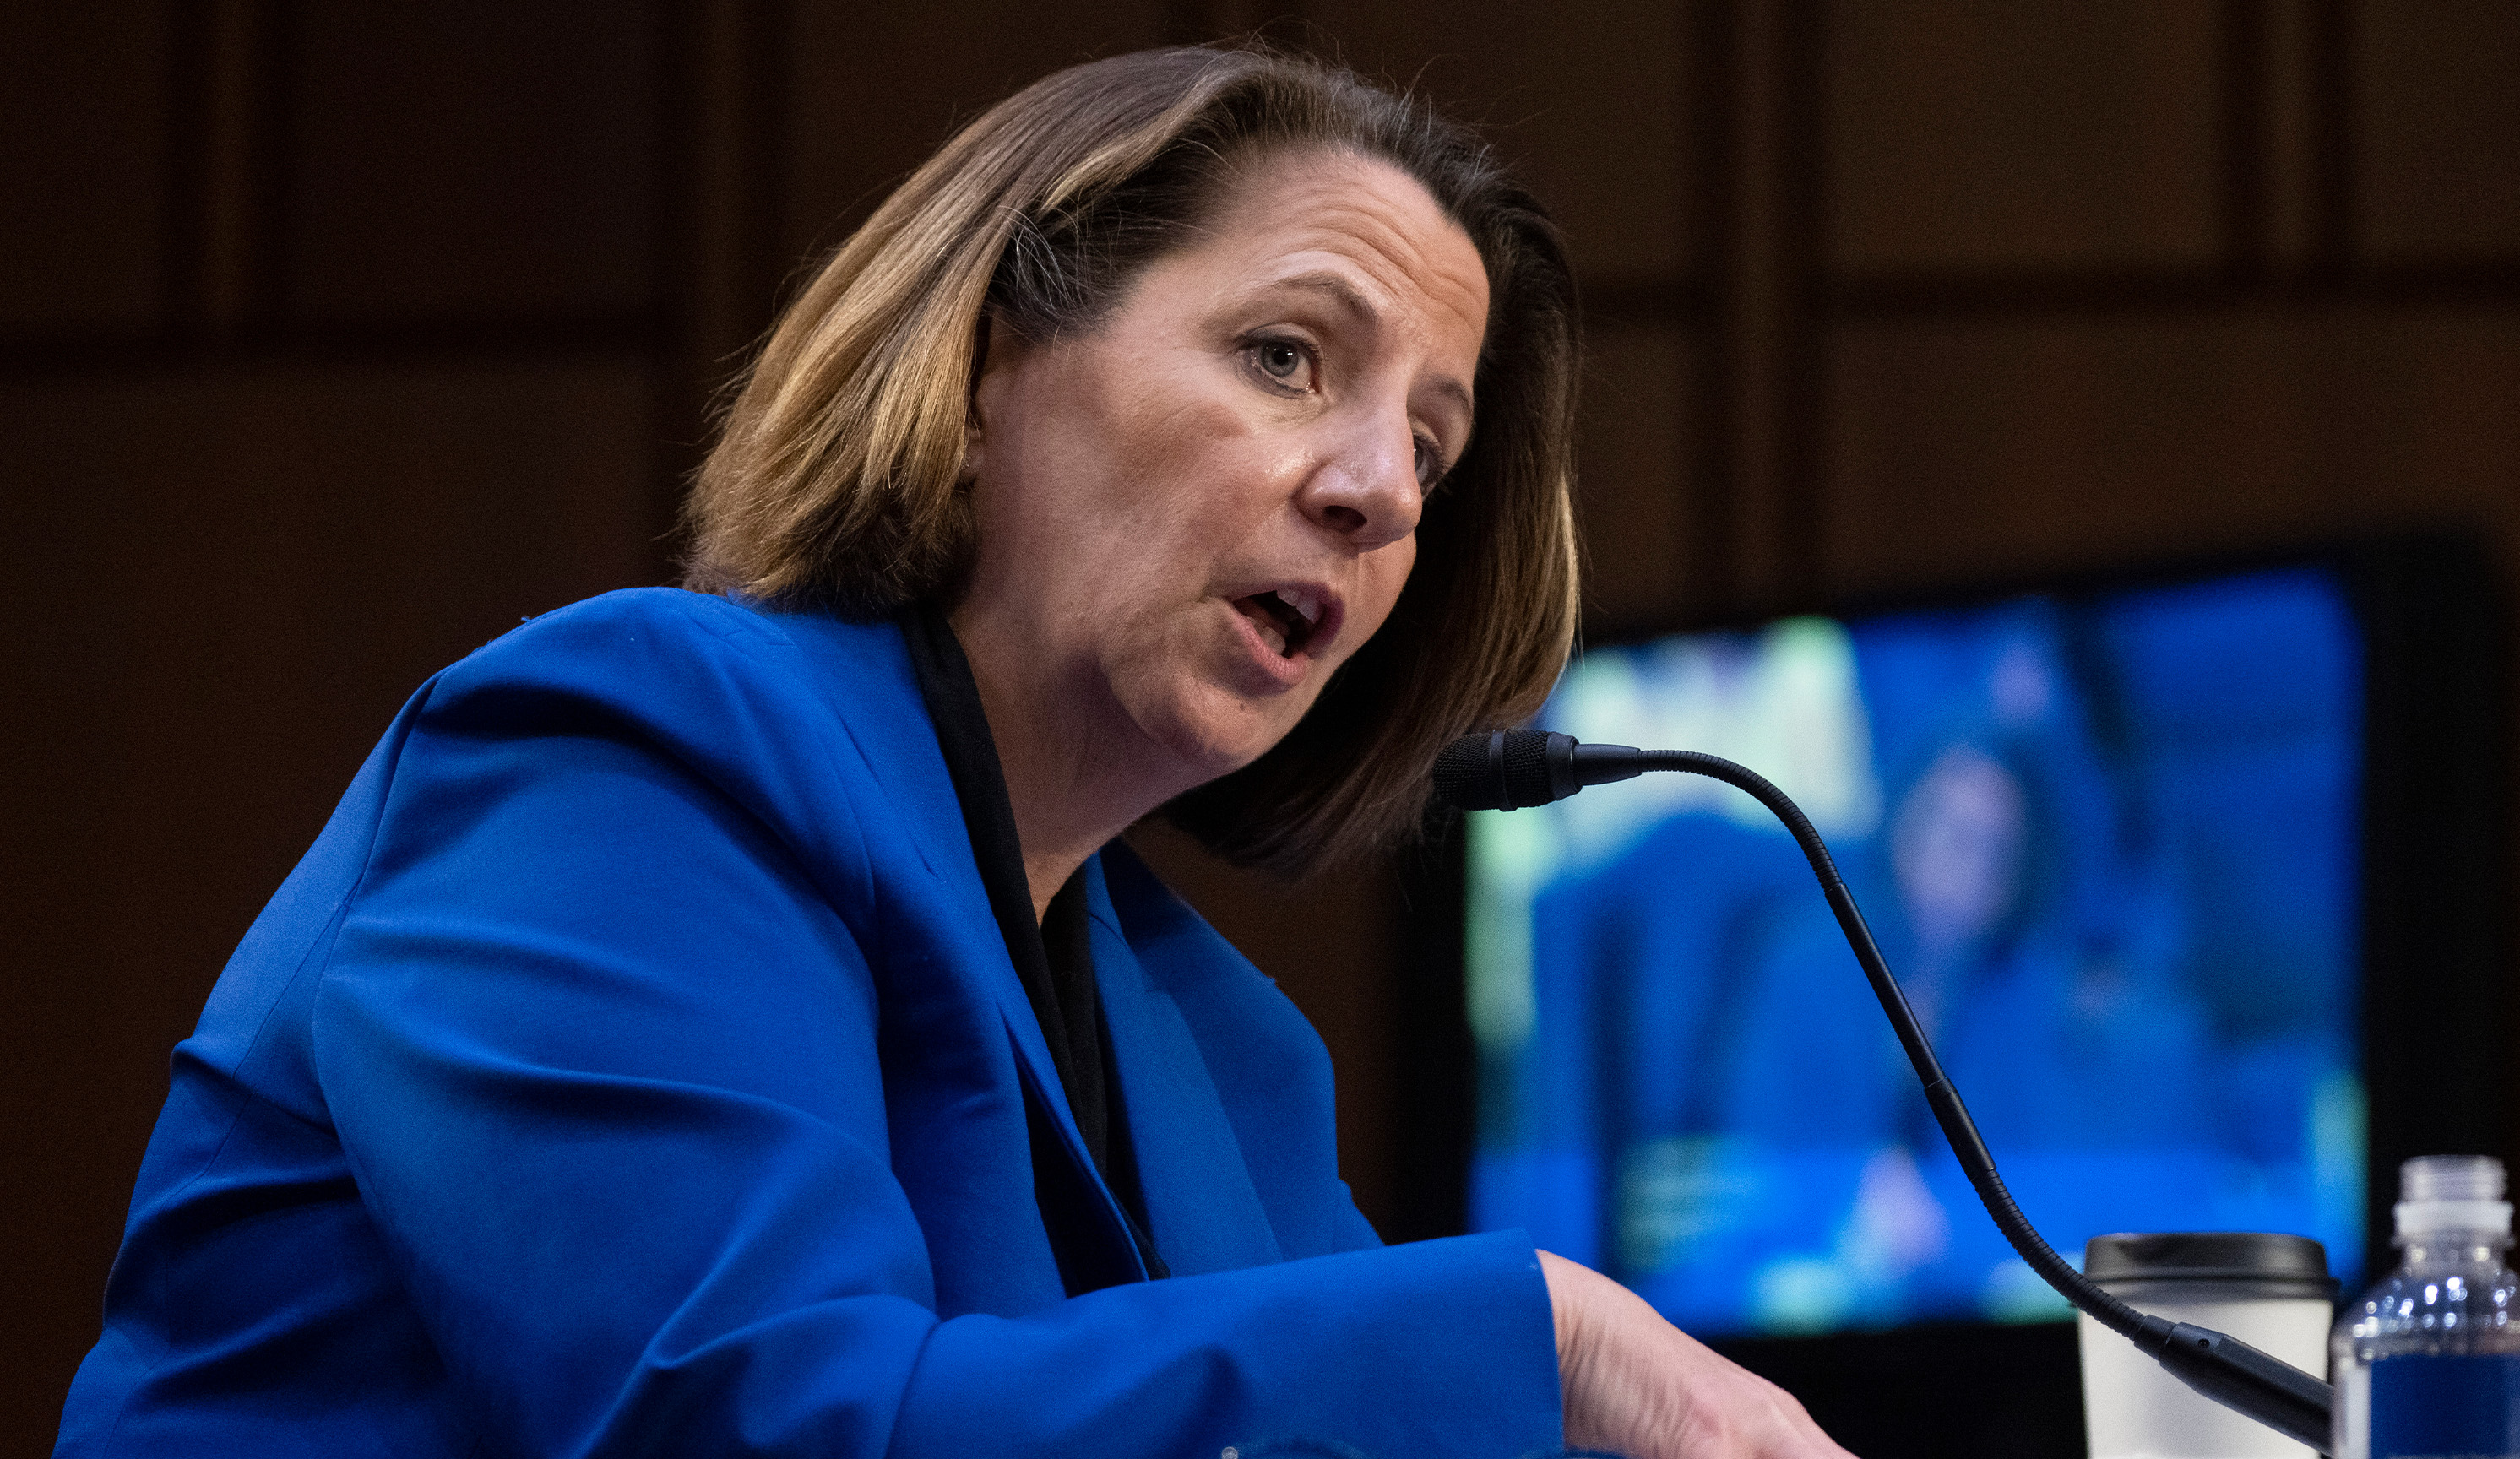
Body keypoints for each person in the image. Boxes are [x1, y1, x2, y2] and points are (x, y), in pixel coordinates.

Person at [55, 46, 1853, 1459]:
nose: (1378, 487)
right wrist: (1554, 1333)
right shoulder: (624, 755)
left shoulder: (1224, 1050)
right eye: (1291, 356)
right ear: (993, 363)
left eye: (1432, 452)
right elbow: (766, 1433)